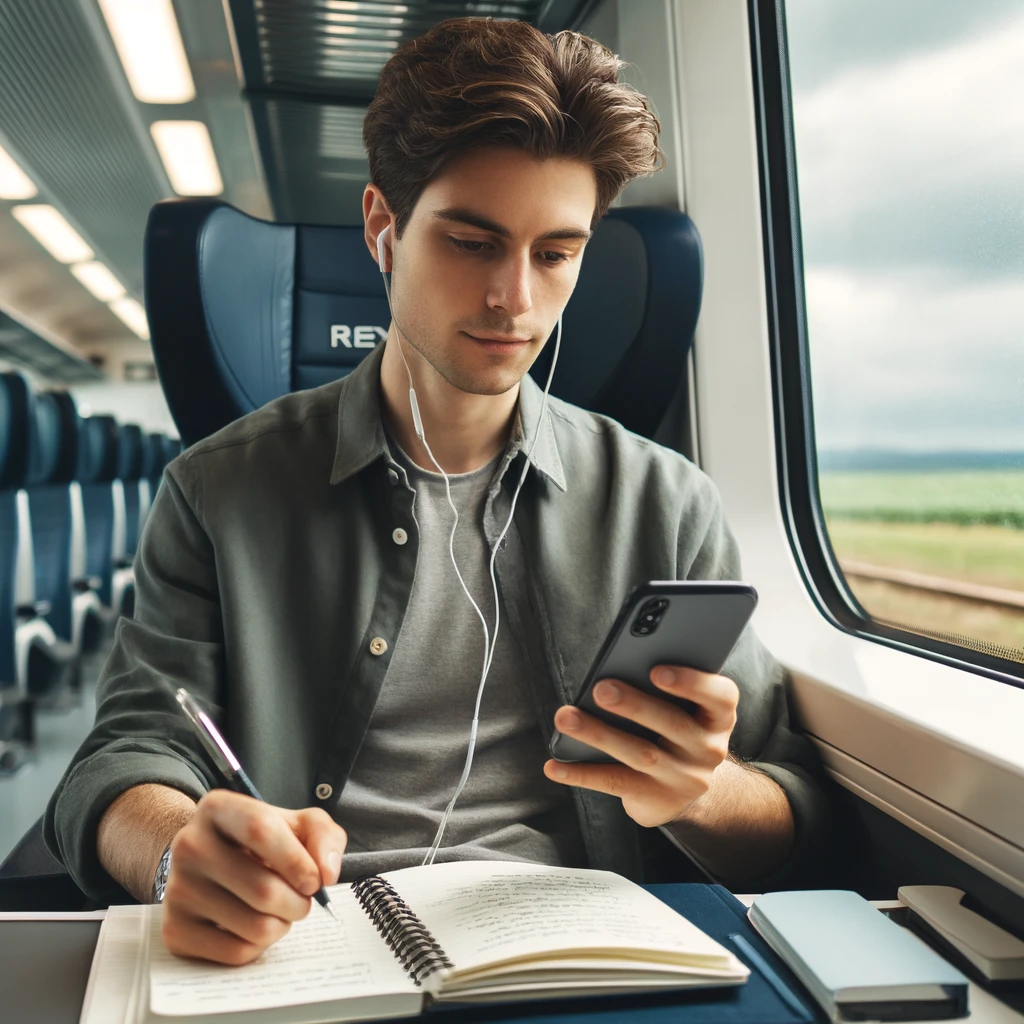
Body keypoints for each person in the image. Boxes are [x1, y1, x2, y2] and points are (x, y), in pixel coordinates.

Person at [45, 17, 830, 966]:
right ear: (384, 227)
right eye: (471, 242)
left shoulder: (666, 504)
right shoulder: (221, 489)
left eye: (556, 253)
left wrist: (697, 792)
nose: (515, 299)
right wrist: (178, 854)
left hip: (570, 960)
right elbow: (121, 765)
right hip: (309, 952)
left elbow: (791, 811)